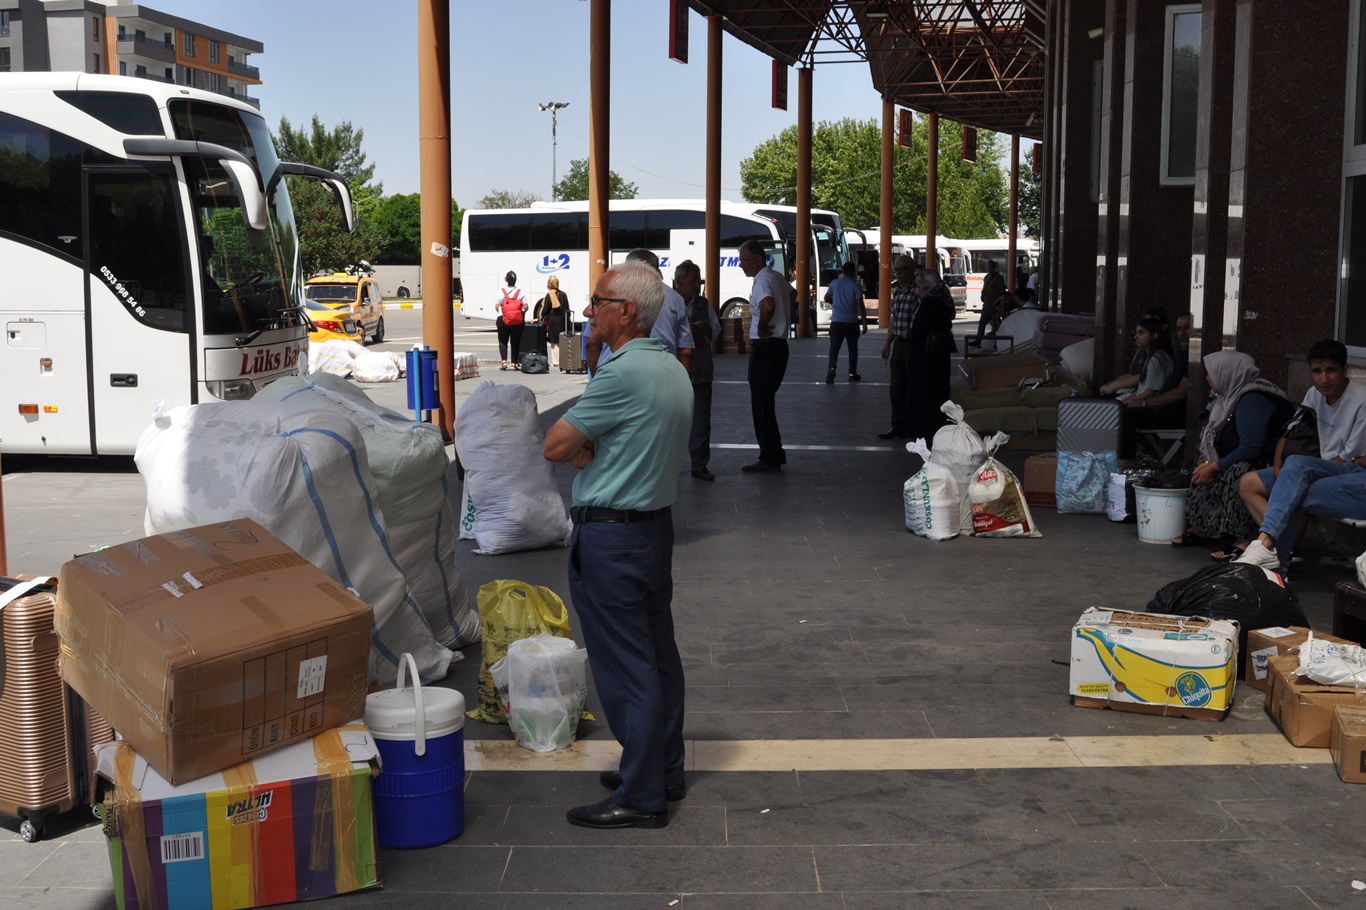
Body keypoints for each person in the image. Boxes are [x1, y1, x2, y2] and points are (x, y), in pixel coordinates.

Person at [542, 260, 692, 830]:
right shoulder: (670, 368)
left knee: (628, 669)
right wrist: (592, 445)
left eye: (598, 301)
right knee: (658, 659)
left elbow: (556, 442)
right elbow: (620, 441)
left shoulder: (621, 372)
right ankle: (662, 769)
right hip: (651, 530)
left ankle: (641, 794)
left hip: (611, 538)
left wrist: (584, 446)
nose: (587, 310)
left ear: (625, 311)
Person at [1234, 339, 1366, 556]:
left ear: (1345, 369)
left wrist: (1293, 476)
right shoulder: (1314, 394)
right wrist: (1278, 469)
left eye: (1331, 370)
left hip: (1345, 473)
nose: (1324, 379)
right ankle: (1274, 549)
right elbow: (1289, 433)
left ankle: (1267, 550)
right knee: (1248, 483)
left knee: (1294, 486)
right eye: (1317, 371)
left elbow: (1348, 458)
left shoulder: (1361, 400)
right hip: (1308, 467)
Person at [1173, 350, 1293, 547]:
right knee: (1202, 462)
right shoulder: (1229, 396)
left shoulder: (1252, 399)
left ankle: (1244, 539)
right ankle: (1201, 528)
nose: (1207, 378)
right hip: (1245, 456)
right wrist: (1210, 464)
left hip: (1269, 462)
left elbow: (1251, 448)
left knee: (1239, 470)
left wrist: (1215, 467)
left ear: (1227, 373)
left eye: (1211, 373)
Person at [1235, 452, 1366, 574]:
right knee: (1295, 462)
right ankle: (1265, 547)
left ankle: (1271, 558)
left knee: (1294, 490)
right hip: (1352, 466)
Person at [587, 249, 693, 377]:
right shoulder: (675, 299)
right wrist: (681, 382)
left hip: (610, 369)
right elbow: (685, 351)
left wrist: (597, 378)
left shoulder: (611, 293)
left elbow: (591, 343)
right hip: (662, 374)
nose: (587, 312)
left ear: (627, 311)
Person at [738, 239, 791, 472]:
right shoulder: (777, 277)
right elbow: (794, 293)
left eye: (744, 261)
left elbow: (767, 305)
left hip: (767, 347)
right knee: (766, 402)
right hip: (779, 347)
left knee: (761, 405)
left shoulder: (761, 281)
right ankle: (773, 453)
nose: (742, 266)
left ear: (758, 260)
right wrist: (784, 319)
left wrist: (761, 327)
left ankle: (769, 456)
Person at [1120, 312, 1191, 460]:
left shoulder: (1161, 359)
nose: (1182, 333)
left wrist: (1143, 402)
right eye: (1178, 329)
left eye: (1187, 328)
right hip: (1163, 406)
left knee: (1125, 416)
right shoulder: (1185, 355)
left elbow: (1180, 393)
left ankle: (1125, 462)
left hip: (1178, 413)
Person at [676, 260, 719, 480]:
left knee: (701, 421)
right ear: (679, 281)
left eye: (698, 281)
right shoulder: (668, 303)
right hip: (674, 371)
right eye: (692, 281)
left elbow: (717, 331)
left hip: (701, 369)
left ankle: (699, 465)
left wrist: (707, 329)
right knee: (671, 421)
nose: (696, 285)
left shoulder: (703, 304)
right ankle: (668, 466)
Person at [905, 267, 956, 442]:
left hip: (927, 355)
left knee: (926, 392)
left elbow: (918, 329)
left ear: (928, 285)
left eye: (920, 283)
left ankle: (924, 429)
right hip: (938, 354)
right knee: (937, 392)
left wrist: (907, 334)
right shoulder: (942, 300)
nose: (918, 286)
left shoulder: (930, 302)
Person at [879, 255, 919, 439]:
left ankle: (912, 424)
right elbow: (893, 320)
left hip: (913, 344)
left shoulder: (917, 292)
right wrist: (887, 344)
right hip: (898, 345)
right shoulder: (898, 291)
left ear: (912, 270)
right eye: (897, 270)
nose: (899, 273)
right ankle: (897, 425)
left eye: (902, 269)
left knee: (913, 386)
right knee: (896, 387)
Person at [823, 260, 867, 383]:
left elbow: (826, 297)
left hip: (836, 322)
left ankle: (831, 369)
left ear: (843, 271)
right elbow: (860, 304)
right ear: (853, 272)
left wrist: (835, 303)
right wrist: (864, 322)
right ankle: (852, 373)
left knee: (834, 348)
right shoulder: (856, 286)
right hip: (851, 323)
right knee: (852, 349)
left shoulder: (834, 283)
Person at [533, 275, 569, 369]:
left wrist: (541, 317)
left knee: (554, 341)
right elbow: (567, 308)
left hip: (553, 321)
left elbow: (545, 309)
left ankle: (556, 361)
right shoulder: (563, 294)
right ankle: (563, 360)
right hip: (562, 320)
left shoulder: (549, 295)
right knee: (561, 340)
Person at [496, 271, 528, 371]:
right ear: (515, 280)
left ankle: (504, 362)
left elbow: (497, 307)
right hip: (517, 321)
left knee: (502, 340)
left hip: (503, 320)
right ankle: (514, 364)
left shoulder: (500, 292)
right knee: (515, 341)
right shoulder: (520, 292)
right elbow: (526, 307)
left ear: (506, 280)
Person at [975, 259, 1006, 340]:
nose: (989, 268)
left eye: (991, 266)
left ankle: (998, 342)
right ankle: (978, 341)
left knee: (997, 325)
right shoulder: (986, 277)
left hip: (994, 306)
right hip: (986, 304)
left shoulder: (998, 278)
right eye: (988, 266)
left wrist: (999, 302)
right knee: (982, 323)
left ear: (995, 267)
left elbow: (1002, 290)